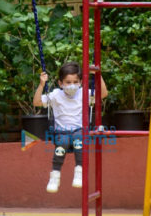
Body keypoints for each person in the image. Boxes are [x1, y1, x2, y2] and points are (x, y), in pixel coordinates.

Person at [33, 62, 108, 193]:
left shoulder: (85, 93)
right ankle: (55, 176)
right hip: (62, 133)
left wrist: (98, 75)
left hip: (79, 130)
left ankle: (79, 172)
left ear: (80, 82)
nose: (72, 85)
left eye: (75, 81)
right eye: (68, 82)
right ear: (60, 83)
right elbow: (37, 102)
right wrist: (41, 84)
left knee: (79, 139)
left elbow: (103, 94)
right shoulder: (56, 95)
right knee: (62, 143)